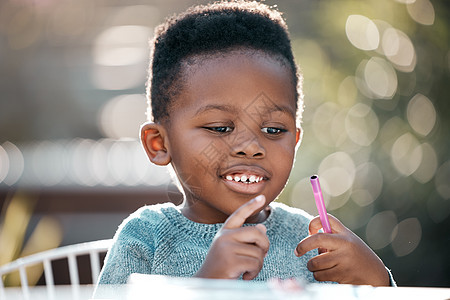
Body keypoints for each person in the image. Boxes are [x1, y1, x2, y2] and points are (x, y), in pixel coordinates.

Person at [96, 0, 394, 287]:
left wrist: (377, 281)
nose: (250, 146)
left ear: (295, 141)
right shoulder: (146, 238)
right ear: (159, 144)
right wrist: (207, 283)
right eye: (220, 127)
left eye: (274, 130)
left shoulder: (312, 240)